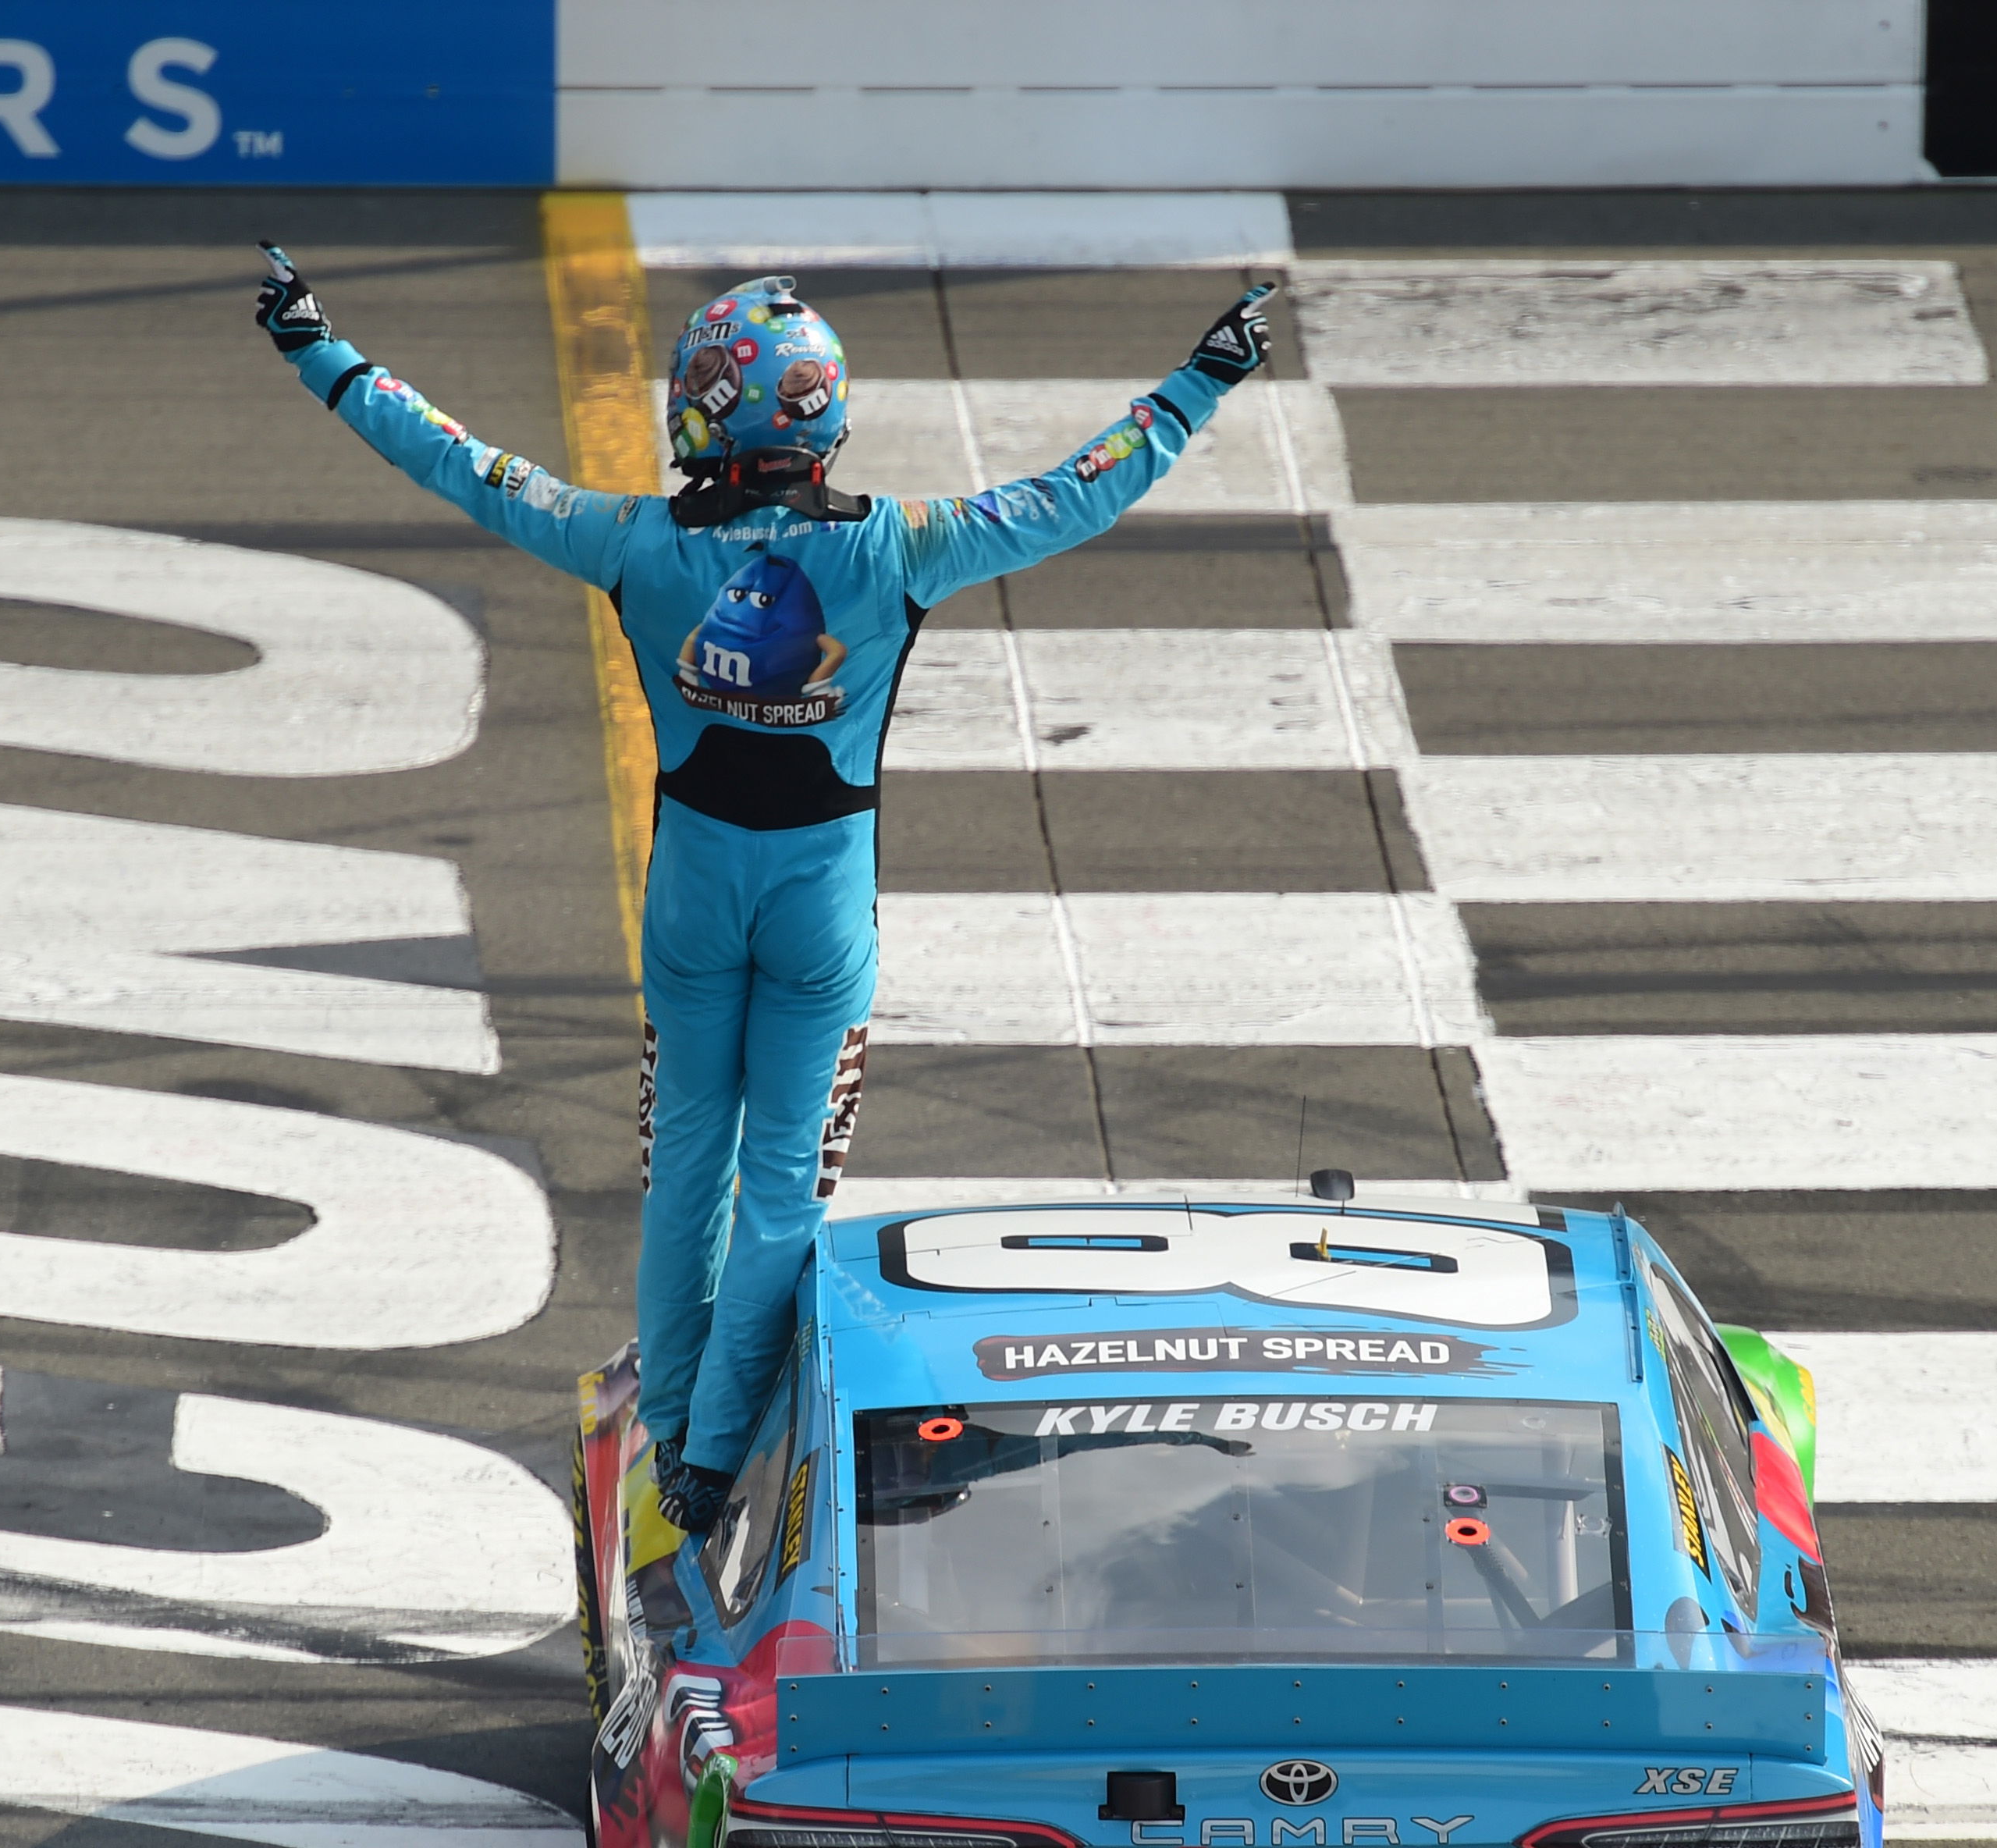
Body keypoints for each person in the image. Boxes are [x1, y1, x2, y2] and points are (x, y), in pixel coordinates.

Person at [257, 246, 1276, 1530]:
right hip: (822, 897)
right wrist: (1202, 379)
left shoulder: (628, 539)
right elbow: (1075, 495)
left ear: (697, 410)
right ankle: (715, 1453)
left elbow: (462, 464)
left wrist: (320, 351)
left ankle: (674, 1426)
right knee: (785, 1180)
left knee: (688, 1164)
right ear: (828, 418)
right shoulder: (908, 544)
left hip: (690, 883)